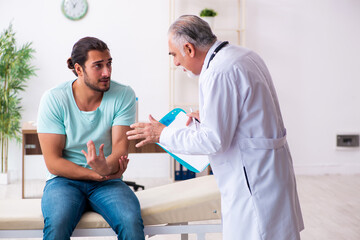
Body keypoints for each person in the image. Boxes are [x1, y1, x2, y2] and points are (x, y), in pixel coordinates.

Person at [127, 15, 304, 240]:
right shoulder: (244, 55)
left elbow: (213, 140)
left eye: (174, 55)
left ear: (189, 49)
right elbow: (251, 110)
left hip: (252, 176)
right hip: (271, 169)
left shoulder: (218, 71)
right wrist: (209, 116)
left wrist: (161, 133)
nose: (176, 63)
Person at [37, 37, 144, 240]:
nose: (107, 72)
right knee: (57, 224)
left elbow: (121, 149)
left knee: (131, 221)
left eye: (109, 63)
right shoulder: (54, 99)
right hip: (64, 181)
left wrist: (104, 170)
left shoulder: (124, 94)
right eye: (98, 66)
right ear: (79, 69)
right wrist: (98, 173)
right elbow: (53, 162)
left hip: (108, 182)